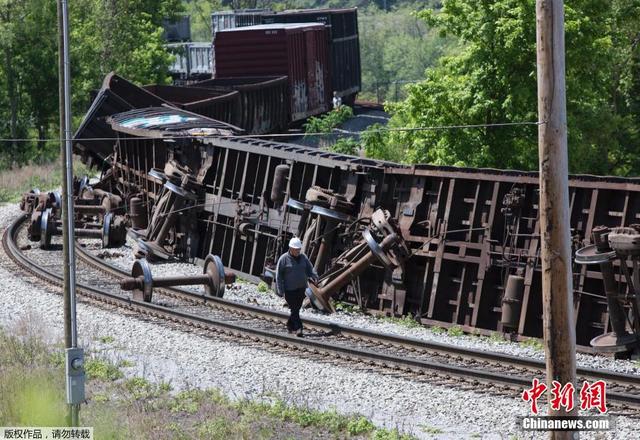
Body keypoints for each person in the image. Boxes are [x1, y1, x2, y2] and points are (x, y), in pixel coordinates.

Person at [276, 237, 318, 337]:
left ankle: (290, 326)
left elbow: (309, 269)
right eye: (295, 249)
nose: (297, 251)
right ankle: (299, 328)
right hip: (289, 289)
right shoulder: (283, 259)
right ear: (290, 248)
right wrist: (280, 290)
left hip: (301, 288)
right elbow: (278, 275)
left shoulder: (303, 258)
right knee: (294, 309)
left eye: (298, 249)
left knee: (296, 308)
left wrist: (314, 276)